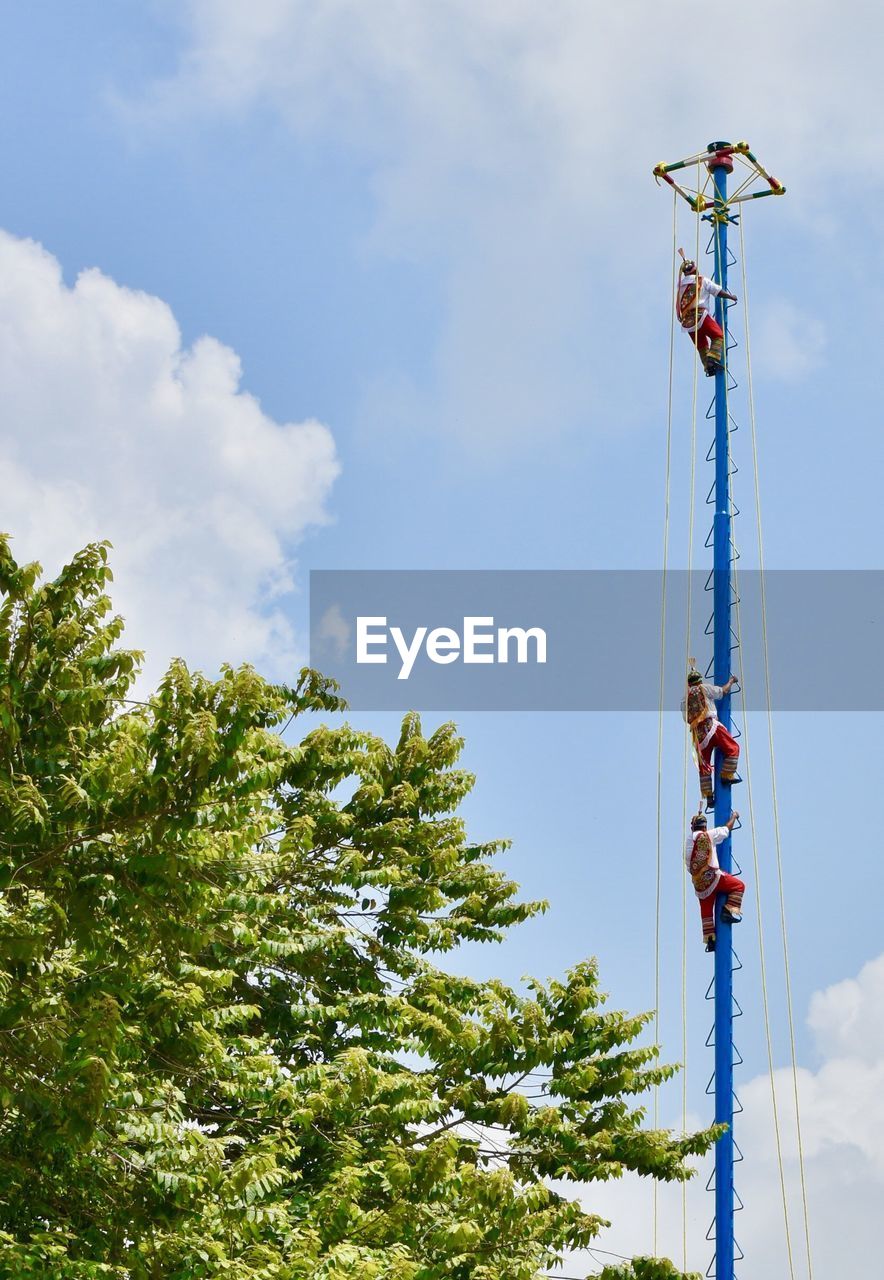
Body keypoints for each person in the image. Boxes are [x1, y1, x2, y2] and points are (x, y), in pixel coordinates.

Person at [685, 810, 743, 952]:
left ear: (692, 827)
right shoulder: (709, 835)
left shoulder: (688, 842)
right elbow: (726, 829)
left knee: (706, 913)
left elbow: (688, 864)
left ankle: (710, 940)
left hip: (700, 885)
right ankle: (728, 910)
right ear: (704, 827)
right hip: (715, 878)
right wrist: (734, 817)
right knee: (739, 886)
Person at [682, 667, 740, 809]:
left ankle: (708, 796)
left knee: (704, 767)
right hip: (712, 728)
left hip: (699, 737)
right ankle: (727, 774)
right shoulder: (704, 688)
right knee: (733, 748)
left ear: (689, 684)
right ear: (699, 680)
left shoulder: (685, 700)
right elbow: (723, 691)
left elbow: (686, 719)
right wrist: (731, 681)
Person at [676, 248, 737, 376]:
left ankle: (708, 367)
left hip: (687, 323)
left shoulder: (680, 286)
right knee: (718, 335)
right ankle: (712, 359)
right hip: (701, 316)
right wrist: (730, 297)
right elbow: (717, 291)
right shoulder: (701, 280)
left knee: (702, 346)